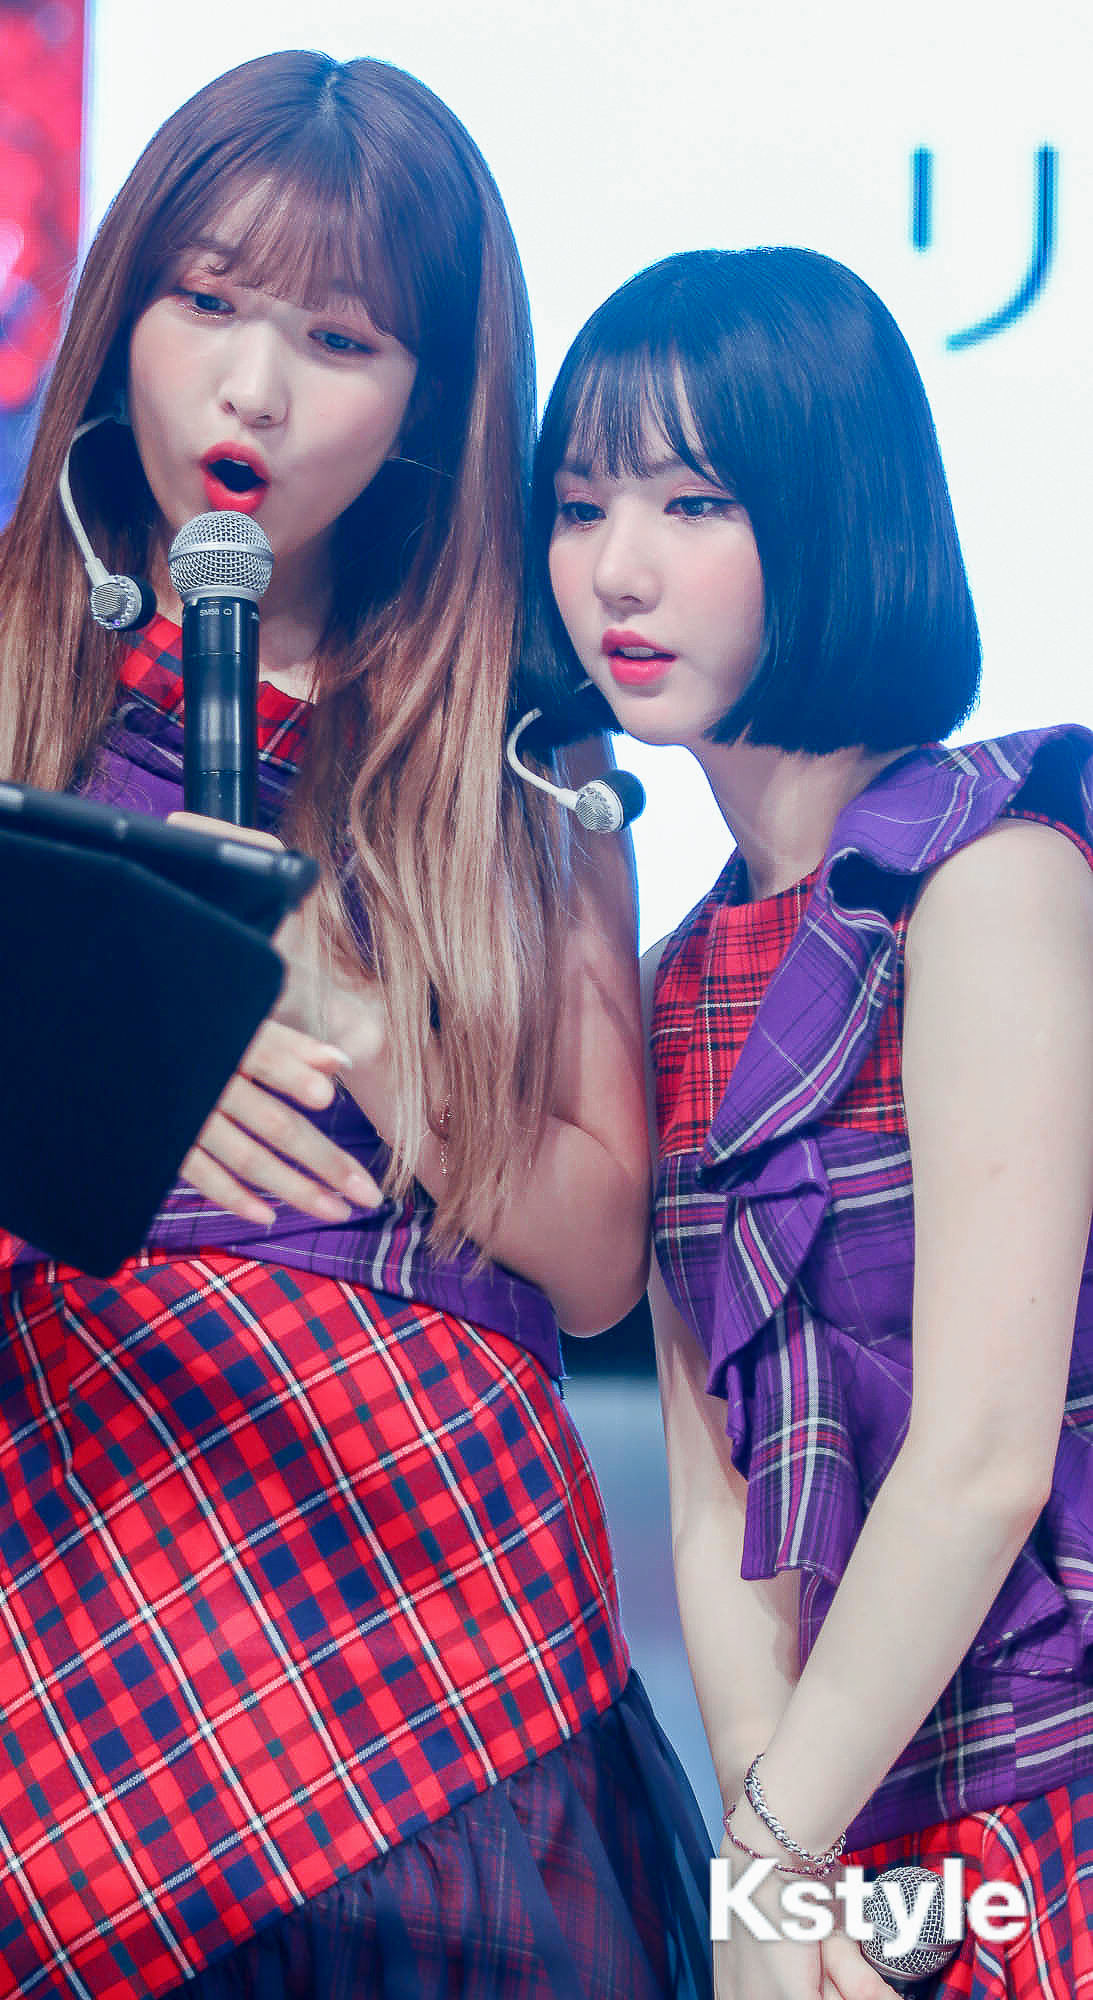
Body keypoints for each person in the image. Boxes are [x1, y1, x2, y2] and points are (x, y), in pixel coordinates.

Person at [0, 52, 713, 2000]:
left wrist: (351, 1025)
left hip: (436, 1627)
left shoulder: (520, 740)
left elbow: (599, 1252)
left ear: (431, 397)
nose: (253, 391)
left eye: (339, 339)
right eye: (206, 301)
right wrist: (73, 1079)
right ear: (121, 305)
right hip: (55, 1593)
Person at [527, 244, 1093, 1999]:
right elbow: (718, 1497)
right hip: (850, 1820)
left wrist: (771, 1849)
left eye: (692, 502)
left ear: (836, 513)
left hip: (1053, 1775)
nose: (616, 568)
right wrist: (772, 1857)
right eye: (578, 505)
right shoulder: (673, 975)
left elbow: (986, 1453)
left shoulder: (987, 871)